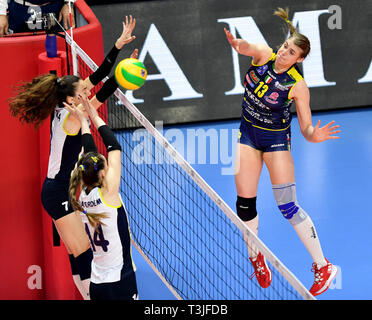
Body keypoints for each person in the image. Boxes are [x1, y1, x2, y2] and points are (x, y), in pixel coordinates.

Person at [9, 15, 137, 299]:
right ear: (70, 99)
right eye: (81, 91)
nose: (85, 91)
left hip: (58, 189)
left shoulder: (67, 108)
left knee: (76, 253)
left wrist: (119, 54)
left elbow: (98, 85)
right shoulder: (71, 116)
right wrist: (118, 72)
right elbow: (99, 88)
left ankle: (86, 294)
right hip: (57, 192)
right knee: (82, 254)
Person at [224, 7, 340, 296]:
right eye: (285, 47)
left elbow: (306, 127)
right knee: (244, 205)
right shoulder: (263, 55)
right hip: (248, 135)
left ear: (299, 60)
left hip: (276, 142)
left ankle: (323, 265)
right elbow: (248, 46)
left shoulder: (298, 87)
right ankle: (256, 257)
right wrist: (238, 45)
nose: (285, 52)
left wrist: (316, 135)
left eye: (291, 53)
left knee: (288, 206)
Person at [67, 96, 138, 300]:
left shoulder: (82, 195)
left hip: (97, 283)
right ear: (104, 174)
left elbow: (91, 157)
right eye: (106, 164)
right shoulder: (109, 193)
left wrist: (83, 122)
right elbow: (114, 146)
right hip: (121, 281)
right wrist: (93, 116)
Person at [0, 0, 75, 36]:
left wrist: (68, 3)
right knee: (19, 53)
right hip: (21, 10)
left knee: (56, 53)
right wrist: (1, 13)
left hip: (54, 8)